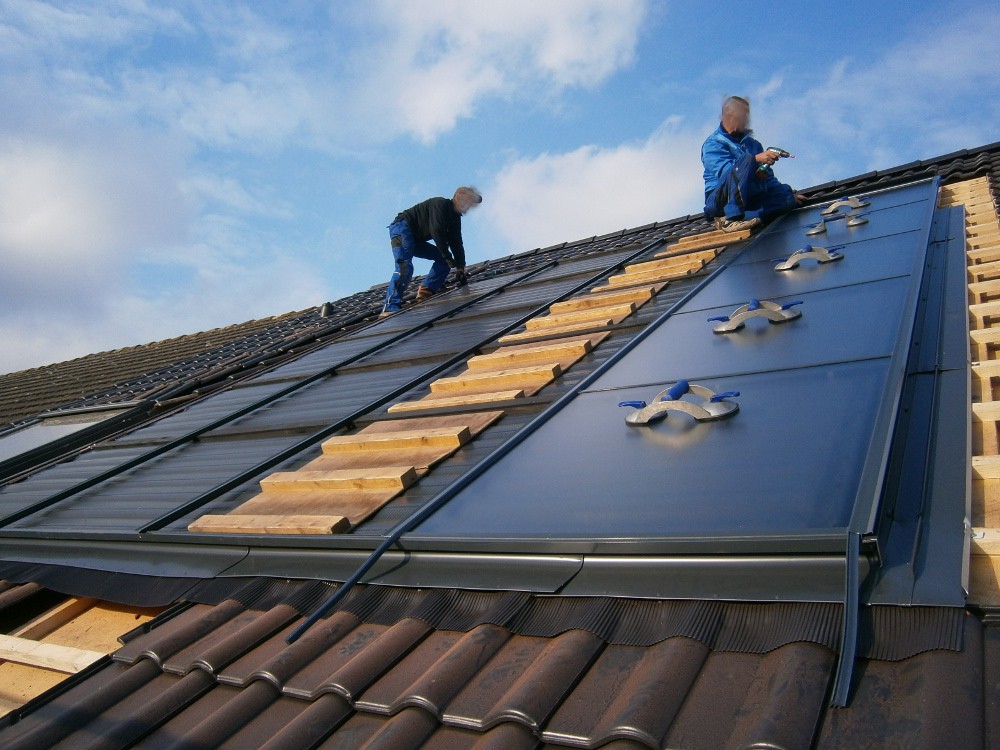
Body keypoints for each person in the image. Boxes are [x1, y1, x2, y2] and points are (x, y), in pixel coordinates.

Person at [701, 96, 801, 233]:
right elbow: (728, 173)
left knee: (787, 200)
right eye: (742, 115)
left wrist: (787, 195)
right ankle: (730, 219)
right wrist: (756, 159)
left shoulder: (753, 145)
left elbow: (769, 179)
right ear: (729, 116)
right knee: (746, 160)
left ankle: (747, 217)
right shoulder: (714, 144)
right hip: (721, 201)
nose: (746, 120)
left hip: (748, 197)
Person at [381, 186, 482, 316]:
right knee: (405, 266)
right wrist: (447, 255)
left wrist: (460, 267)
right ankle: (390, 307)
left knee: (443, 261)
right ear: (459, 198)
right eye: (468, 201)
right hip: (402, 228)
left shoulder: (455, 218)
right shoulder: (440, 204)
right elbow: (437, 230)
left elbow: (456, 242)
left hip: (415, 239)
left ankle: (426, 289)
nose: (469, 206)